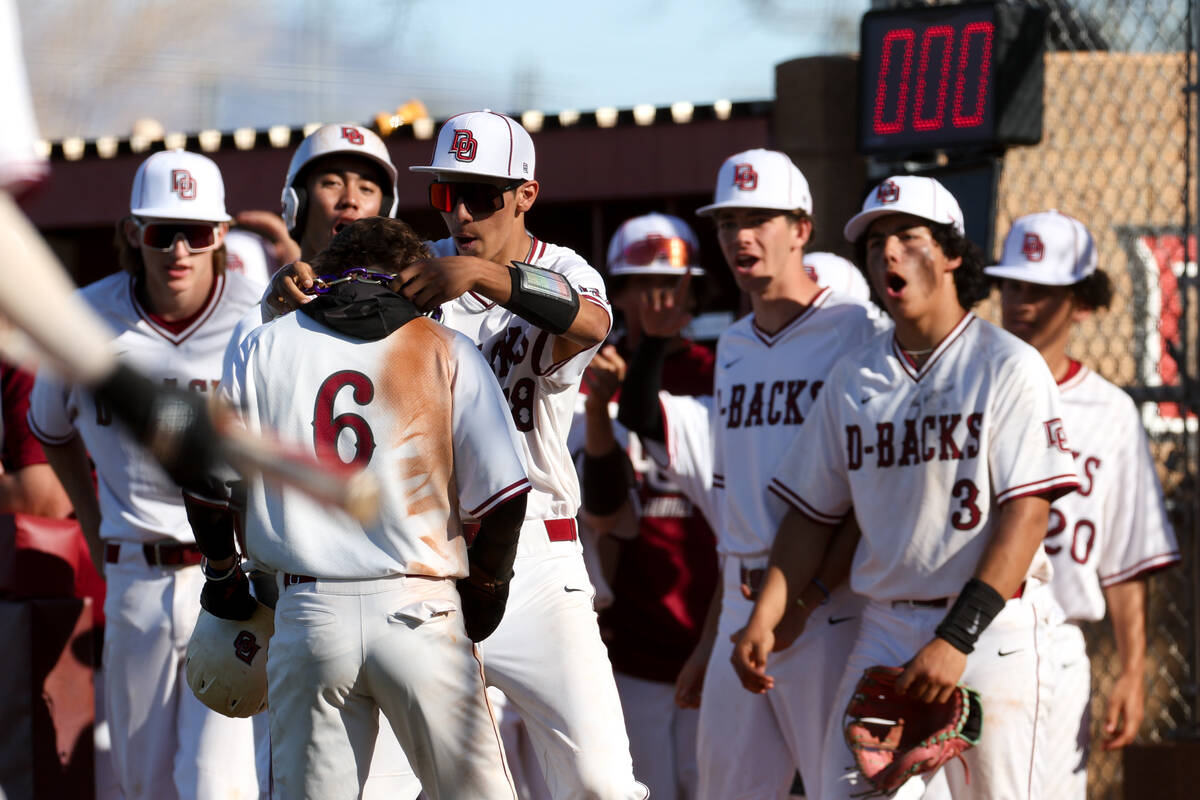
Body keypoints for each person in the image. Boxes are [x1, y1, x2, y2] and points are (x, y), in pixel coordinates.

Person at [270, 110, 645, 799]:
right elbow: (308, 356)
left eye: (484, 194)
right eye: (448, 193)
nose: (462, 211)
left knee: (601, 784)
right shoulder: (410, 280)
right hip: (420, 561)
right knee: (385, 790)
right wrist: (285, 299)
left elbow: (592, 320)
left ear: (526, 194)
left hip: (535, 559)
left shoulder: (556, 266)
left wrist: (479, 274)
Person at [734, 176, 1081, 799]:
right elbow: (813, 515)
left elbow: (1028, 516)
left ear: (951, 254)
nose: (887, 252)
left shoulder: (1006, 364)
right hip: (886, 626)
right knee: (847, 791)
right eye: (875, 243)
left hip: (991, 630)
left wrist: (956, 637)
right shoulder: (854, 376)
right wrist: (768, 613)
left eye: (907, 237)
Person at [202, 216, 529, 799]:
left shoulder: (264, 342)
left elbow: (206, 480)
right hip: (420, 606)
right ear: (410, 278)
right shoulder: (445, 345)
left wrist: (222, 573)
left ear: (323, 275)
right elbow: (505, 495)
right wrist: (487, 586)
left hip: (309, 611)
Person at [616, 150, 889, 800]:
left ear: (801, 228)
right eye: (728, 220)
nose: (741, 235)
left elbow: (867, 497)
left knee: (843, 790)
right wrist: (714, 633)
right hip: (740, 603)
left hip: (826, 608)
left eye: (760, 218)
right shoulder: (734, 345)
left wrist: (808, 596)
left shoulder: (857, 331)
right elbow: (733, 512)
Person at [28, 149, 262, 800]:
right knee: (140, 786)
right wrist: (96, 521)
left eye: (198, 231)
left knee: (217, 784)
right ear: (134, 233)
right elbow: (52, 433)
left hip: (236, 579)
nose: (180, 248)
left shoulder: (256, 312)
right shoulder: (82, 318)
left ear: (221, 235)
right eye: (163, 230)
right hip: (136, 570)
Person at [986, 210, 1181, 797]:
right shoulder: (968, 392)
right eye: (1013, 285)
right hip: (961, 626)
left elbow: (1124, 560)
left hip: (1055, 637)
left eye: (1042, 289)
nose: (1022, 302)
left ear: (1082, 302)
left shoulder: (1110, 411)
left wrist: (1132, 671)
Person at [575, 212, 719, 799]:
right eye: (642, 284)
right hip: (627, 641)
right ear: (621, 292)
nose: (658, 298)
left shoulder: (718, 372)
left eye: (672, 284)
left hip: (710, 627)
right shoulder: (587, 374)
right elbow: (597, 507)